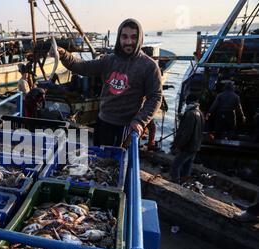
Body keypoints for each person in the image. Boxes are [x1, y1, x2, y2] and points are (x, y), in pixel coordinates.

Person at [57, 19, 163, 147]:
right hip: (102, 122)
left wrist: (140, 121)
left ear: (140, 38)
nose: (129, 41)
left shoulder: (149, 66)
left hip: (125, 127)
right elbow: (82, 67)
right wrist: (63, 55)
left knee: (116, 163)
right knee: (99, 161)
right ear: (119, 38)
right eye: (124, 36)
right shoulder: (109, 60)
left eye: (134, 37)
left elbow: (155, 97)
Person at [170, 94, 205, 185]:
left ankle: (175, 183)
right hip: (196, 146)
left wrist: (178, 145)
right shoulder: (200, 113)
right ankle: (183, 183)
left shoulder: (190, 114)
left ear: (188, 102)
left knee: (175, 165)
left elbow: (186, 134)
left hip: (188, 146)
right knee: (187, 166)